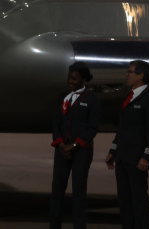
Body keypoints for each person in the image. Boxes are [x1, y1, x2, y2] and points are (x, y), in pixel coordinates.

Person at [105, 60, 149, 229]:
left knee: (139, 201)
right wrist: (113, 151)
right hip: (123, 158)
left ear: (141, 76)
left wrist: (147, 156)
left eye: (130, 72)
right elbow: (122, 129)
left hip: (137, 159)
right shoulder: (128, 97)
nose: (127, 75)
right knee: (124, 200)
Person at [50, 62, 100, 229]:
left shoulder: (92, 99)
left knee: (78, 192)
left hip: (81, 152)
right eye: (69, 77)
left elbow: (93, 127)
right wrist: (61, 144)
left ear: (83, 79)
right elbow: (56, 123)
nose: (70, 81)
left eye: (74, 78)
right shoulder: (62, 97)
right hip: (62, 150)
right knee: (57, 190)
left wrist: (74, 145)